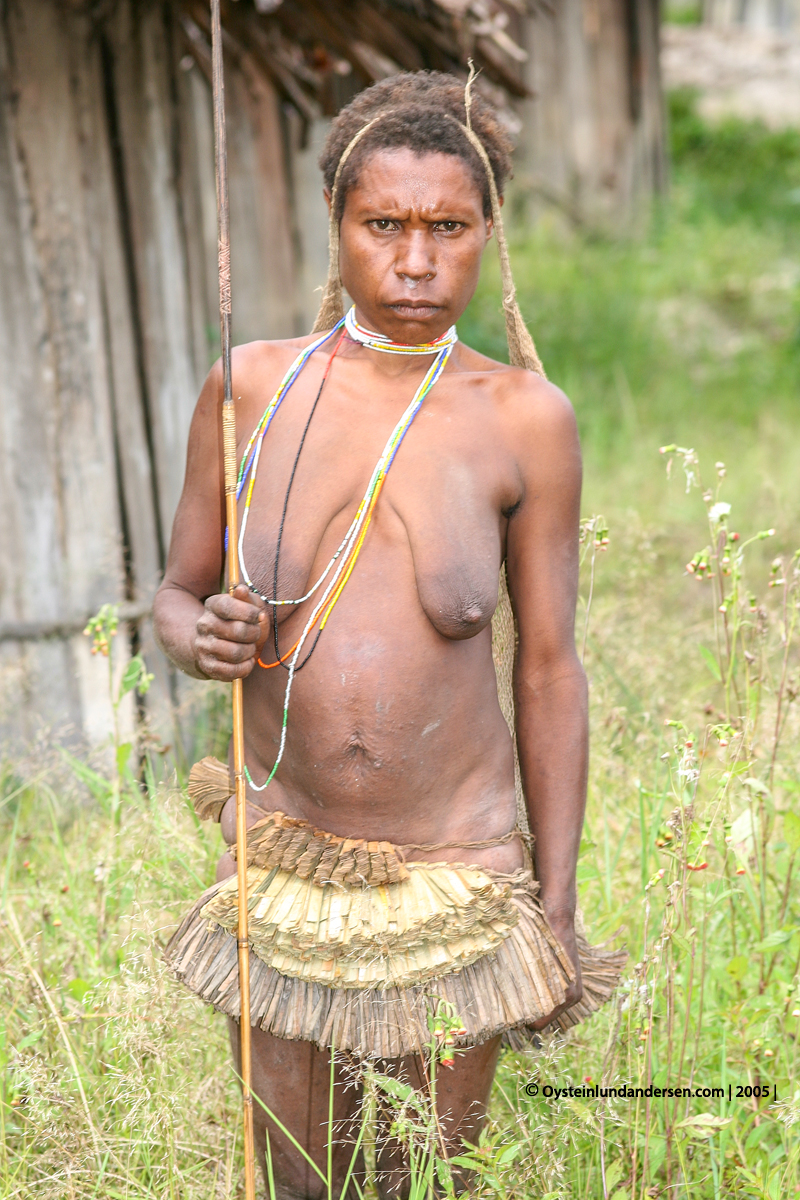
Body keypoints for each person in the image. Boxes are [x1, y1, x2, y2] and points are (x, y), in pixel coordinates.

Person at [154, 71, 623, 1199]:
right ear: (337, 225)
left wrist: (551, 908)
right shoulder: (251, 391)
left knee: (422, 1178)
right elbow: (175, 595)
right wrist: (196, 634)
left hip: (456, 875)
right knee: (300, 1179)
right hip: (285, 864)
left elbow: (550, 669)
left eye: (446, 229)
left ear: (486, 236)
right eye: (384, 226)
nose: (414, 263)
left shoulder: (523, 420)